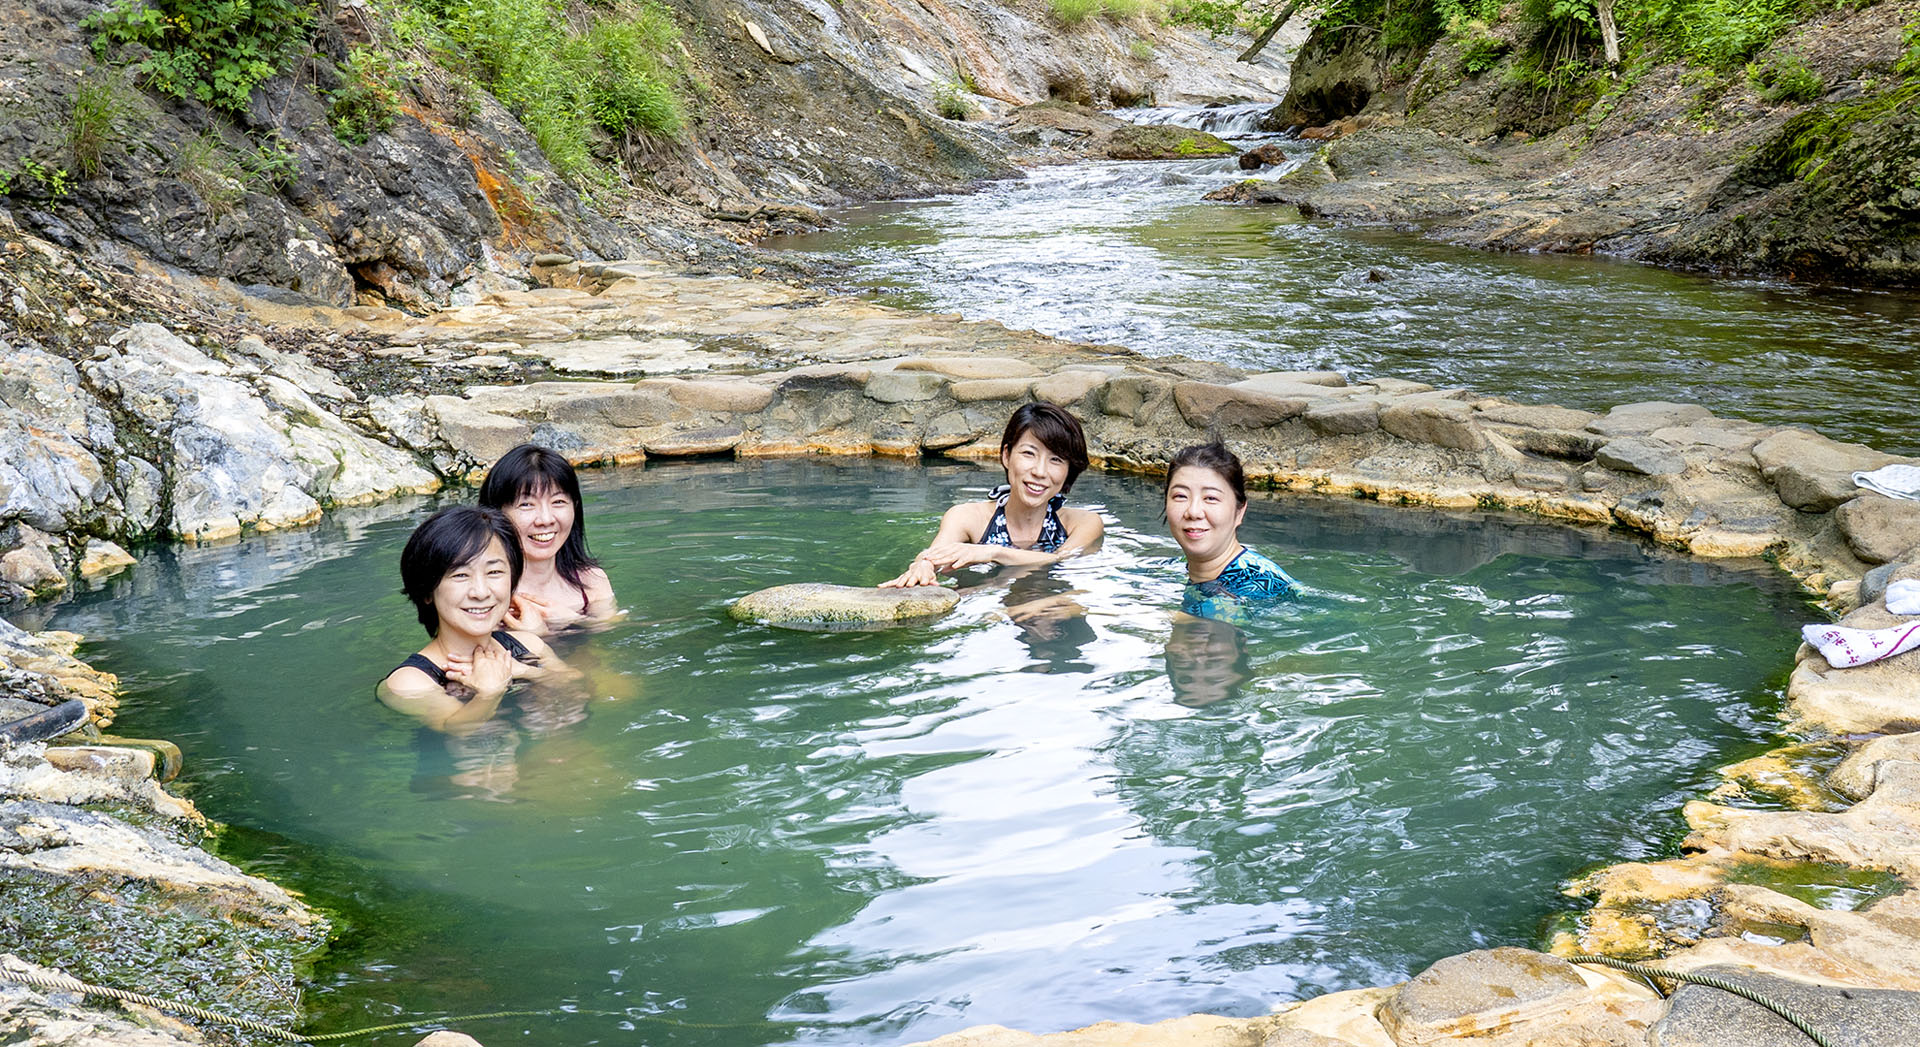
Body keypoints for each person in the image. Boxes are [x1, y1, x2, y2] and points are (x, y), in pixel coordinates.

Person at [379, 506, 569, 732]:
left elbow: (578, 686)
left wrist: (525, 671)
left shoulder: (529, 646)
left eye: (494, 572)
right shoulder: (409, 682)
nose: (480, 592)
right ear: (428, 590)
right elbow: (457, 730)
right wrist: (490, 693)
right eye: (460, 575)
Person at [881, 403, 1105, 588]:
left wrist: (992, 552)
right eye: (1029, 453)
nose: (1039, 471)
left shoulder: (1083, 523)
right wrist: (923, 566)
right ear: (1006, 455)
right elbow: (935, 553)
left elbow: (1061, 559)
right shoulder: (967, 517)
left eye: (1056, 460)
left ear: (1069, 470)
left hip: (1053, 600)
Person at [478, 444, 617, 633]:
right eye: (526, 504)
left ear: (574, 507)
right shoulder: (482, 592)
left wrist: (573, 620)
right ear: (495, 513)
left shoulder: (591, 581)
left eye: (558, 502)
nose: (546, 519)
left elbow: (614, 632)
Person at [1165, 441, 1301, 625]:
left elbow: (1220, 627)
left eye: (1211, 498)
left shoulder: (1258, 582)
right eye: (1180, 496)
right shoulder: (1175, 566)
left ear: (1239, 511)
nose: (1193, 511)